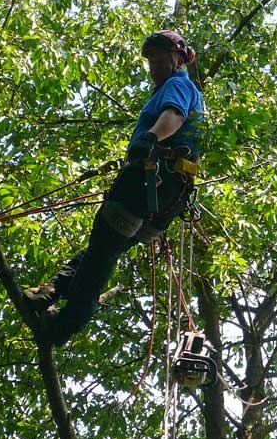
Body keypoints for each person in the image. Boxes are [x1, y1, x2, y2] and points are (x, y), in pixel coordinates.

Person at [23, 30, 203, 347]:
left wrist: (151, 137)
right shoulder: (180, 90)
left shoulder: (179, 85)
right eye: (150, 61)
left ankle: (64, 325)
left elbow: (174, 114)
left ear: (178, 59)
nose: (153, 67)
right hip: (166, 200)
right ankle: (50, 292)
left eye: (159, 59)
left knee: (101, 251)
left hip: (151, 182)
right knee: (104, 248)